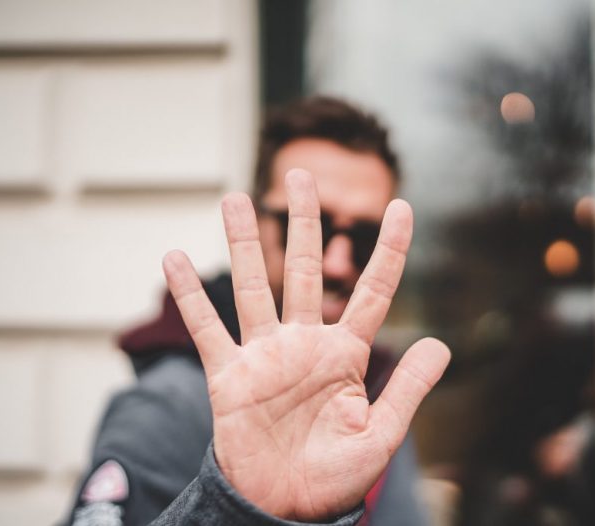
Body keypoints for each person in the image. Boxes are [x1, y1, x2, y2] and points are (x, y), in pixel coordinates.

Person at [65, 97, 450, 526]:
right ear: (258, 218)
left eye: (364, 237)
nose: (339, 263)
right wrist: (236, 510)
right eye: (310, 226)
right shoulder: (167, 405)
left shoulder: (374, 392)